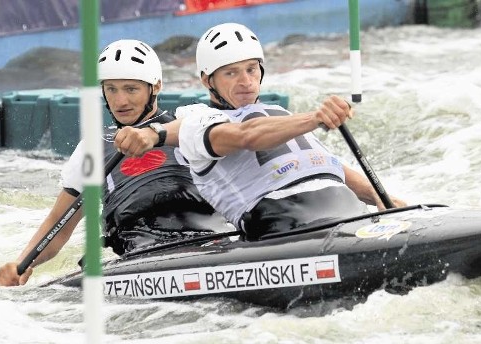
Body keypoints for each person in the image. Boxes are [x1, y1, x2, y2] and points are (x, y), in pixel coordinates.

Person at [114, 23, 406, 240]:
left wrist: (387, 202)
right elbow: (247, 136)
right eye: (231, 72)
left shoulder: (282, 116)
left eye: (252, 69)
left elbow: (330, 167)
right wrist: (316, 117)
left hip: (348, 212)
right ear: (207, 80)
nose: (246, 81)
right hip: (282, 224)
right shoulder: (197, 120)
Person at [0, 39, 222, 287]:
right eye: (111, 89)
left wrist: (155, 134)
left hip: (211, 241)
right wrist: (24, 264)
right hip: (140, 254)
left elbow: (232, 131)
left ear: (156, 86)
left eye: (130, 89)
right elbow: (58, 224)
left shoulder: (191, 120)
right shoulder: (92, 148)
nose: (120, 101)